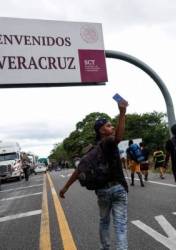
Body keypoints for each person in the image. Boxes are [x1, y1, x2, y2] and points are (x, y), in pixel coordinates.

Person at [59, 99, 129, 250]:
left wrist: (65, 188)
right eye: (109, 126)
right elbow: (118, 137)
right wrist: (122, 113)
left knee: (104, 221)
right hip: (117, 189)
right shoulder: (109, 141)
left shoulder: (91, 151)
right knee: (120, 225)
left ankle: (105, 247)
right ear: (101, 131)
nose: (111, 128)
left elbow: (78, 171)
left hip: (102, 192)